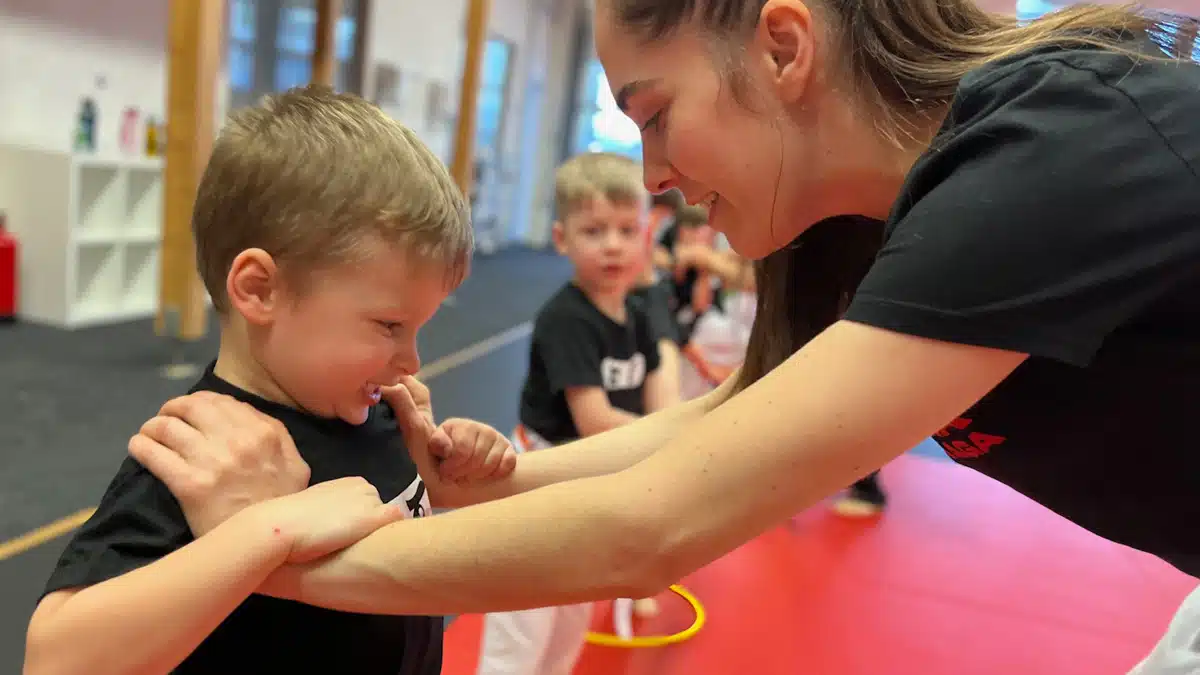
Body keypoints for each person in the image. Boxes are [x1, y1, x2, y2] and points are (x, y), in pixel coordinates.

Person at [128, 1, 1200, 671]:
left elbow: (659, 526)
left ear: (782, 45)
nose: (650, 179)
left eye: (652, 113)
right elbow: (731, 418)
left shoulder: (1045, 155)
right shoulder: (862, 233)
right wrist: (501, 487)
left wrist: (256, 554)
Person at [23, 85, 516, 675]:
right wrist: (266, 533)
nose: (412, 360)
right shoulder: (205, 454)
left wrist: (446, 476)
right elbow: (54, 658)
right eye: (389, 325)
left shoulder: (376, 410)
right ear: (260, 289)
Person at [480, 151, 679, 675]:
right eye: (593, 231)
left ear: (644, 237)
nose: (613, 245)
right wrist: (675, 440)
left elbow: (663, 396)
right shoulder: (567, 319)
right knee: (521, 626)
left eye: (624, 230)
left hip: (590, 481)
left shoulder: (636, 313)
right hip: (539, 483)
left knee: (569, 623)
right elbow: (595, 421)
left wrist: (675, 432)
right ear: (563, 240)